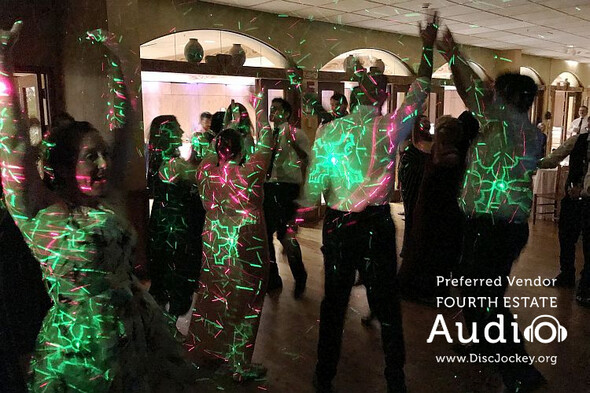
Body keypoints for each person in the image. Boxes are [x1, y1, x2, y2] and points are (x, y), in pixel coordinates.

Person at [0, 23, 195, 392]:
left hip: (136, 333)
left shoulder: (106, 197)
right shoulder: (41, 212)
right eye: (91, 156)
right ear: (63, 168)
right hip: (81, 351)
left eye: (103, 154)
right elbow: (14, 145)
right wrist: (3, 65)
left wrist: (121, 65)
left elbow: (125, 131)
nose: (104, 164)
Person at [296, 14, 438, 393]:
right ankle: (396, 378)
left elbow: (315, 177)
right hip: (375, 223)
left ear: (356, 92)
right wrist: (428, 46)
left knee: (334, 303)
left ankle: (323, 376)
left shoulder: (330, 129)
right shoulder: (389, 128)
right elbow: (421, 89)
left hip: (339, 224)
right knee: (387, 305)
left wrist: (305, 208)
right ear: (380, 96)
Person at [438, 28, 546, 392]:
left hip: (494, 226)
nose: (491, 97)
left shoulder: (505, 123)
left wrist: (452, 53)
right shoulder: (527, 130)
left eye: (498, 93)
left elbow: (469, 89)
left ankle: (520, 371)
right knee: (479, 293)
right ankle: (484, 346)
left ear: (511, 98)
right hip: (494, 224)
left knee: (487, 298)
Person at [187, 99, 277, 380]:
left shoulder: (205, 172)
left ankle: (212, 351)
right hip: (246, 243)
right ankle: (240, 363)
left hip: (215, 243)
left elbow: (214, 151)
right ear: (242, 149)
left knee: (216, 295)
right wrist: (259, 105)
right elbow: (267, 139)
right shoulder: (250, 173)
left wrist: (228, 125)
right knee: (248, 301)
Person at [397, 113, 478, 304]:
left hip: (440, 209)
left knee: (433, 248)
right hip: (434, 207)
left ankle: (430, 290)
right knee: (431, 248)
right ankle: (426, 289)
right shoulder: (441, 151)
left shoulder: (450, 156)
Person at [147, 115, 204, 319]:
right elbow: (200, 177)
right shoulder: (172, 165)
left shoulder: (163, 162)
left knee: (167, 275)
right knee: (177, 275)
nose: (182, 133)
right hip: (175, 230)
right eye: (177, 128)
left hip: (165, 226)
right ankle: (168, 329)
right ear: (167, 135)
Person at [264, 97, 310, 297]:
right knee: (265, 236)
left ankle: (300, 276)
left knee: (285, 234)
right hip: (269, 187)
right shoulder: (267, 135)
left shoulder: (296, 134)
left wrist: (293, 145)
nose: (272, 112)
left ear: (287, 113)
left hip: (287, 187)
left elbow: (308, 158)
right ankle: (273, 279)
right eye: (271, 109)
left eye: (276, 109)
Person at [537, 132, 590, 306]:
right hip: (572, 199)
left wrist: (583, 191)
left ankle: (586, 284)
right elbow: (555, 157)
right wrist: (534, 163)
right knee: (566, 236)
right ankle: (566, 274)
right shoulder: (578, 139)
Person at [397, 114, 432, 258]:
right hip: (412, 184)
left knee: (415, 216)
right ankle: (411, 248)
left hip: (418, 184)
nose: (426, 125)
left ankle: (413, 248)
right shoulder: (410, 144)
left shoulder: (427, 143)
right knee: (412, 214)